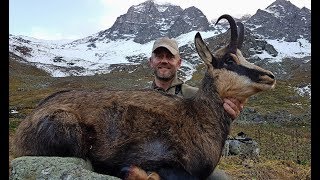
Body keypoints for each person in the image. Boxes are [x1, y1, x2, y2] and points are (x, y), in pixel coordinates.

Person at [148, 37, 244, 180]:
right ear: (151, 62)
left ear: (179, 63)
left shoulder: (198, 96)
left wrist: (230, 112)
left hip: (186, 166)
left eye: (170, 57)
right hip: (145, 162)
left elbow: (218, 118)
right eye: (159, 56)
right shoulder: (139, 98)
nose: (164, 61)